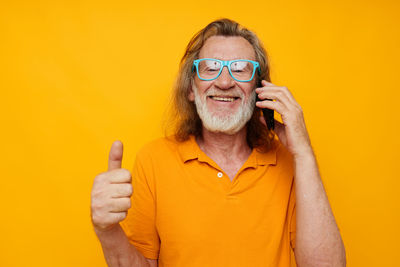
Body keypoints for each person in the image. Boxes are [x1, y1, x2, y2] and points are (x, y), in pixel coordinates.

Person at [90, 18, 346, 267]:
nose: (224, 82)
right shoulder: (154, 160)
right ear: (191, 88)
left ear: (260, 88)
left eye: (240, 69)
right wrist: (108, 231)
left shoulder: (289, 163)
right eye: (211, 68)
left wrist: (303, 153)